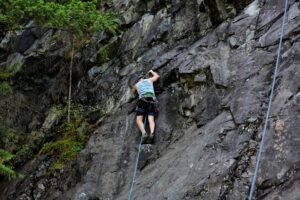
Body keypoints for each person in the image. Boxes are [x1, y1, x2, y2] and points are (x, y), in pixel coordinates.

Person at [132, 70, 160, 143]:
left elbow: (133, 92)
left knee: (139, 120)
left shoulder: (137, 84)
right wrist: (152, 71)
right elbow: (157, 76)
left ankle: (144, 133)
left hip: (142, 101)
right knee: (151, 119)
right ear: (143, 78)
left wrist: (136, 88)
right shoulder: (149, 80)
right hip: (152, 101)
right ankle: (152, 133)